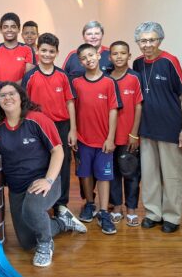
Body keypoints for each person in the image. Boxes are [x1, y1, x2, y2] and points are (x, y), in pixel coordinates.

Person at [0, 83, 84, 268]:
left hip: (44, 180)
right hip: (16, 187)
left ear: (21, 97)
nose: (7, 98)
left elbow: (58, 151)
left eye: (12, 93)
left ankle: (46, 244)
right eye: (2, 95)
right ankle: (62, 223)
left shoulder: (37, 119)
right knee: (27, 242)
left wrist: (48, 180)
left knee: (32, 210)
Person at [133, 22, 182, 234]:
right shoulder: (137, 63)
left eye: (152, 40)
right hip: (147, 128)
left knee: (171, 175)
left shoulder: (170, 61)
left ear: (160, 40)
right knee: (149, 175)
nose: (147, 45)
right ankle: (152, 213)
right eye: (143, 41)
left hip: (170, 128)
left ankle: (172, 216)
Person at [22, 33, 82, 225]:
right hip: (37, 127)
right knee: (40, 164)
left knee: (62, 165)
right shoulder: (30, 76)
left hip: (61, 126)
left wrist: (73, 129)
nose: (47, 54)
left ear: (57, 52)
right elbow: (24, 106)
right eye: (44, 50)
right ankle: (41, 203)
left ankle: (61, 205)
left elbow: (70, 103)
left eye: (51, 51)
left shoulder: (63, 76)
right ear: (37, 51)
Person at [72, 43, 122, 235]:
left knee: (104, 176)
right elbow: (72, 109)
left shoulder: (109, 82)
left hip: (103, 141)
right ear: (80, 62)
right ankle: (89, 204)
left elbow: (113, 111)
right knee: (85, 173)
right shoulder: (76, 83)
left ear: (99, 55)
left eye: (91, 55)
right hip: (83, 139)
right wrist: (74, 133)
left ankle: (103, 212)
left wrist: (110, 138)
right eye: (84, 58)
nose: (88, 60)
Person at [108, 41, 143, 227]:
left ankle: (131, 209)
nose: (119, 56)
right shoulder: (106, 78)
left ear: (129, 56)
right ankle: (116, 207)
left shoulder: (135, 77)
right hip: (109, 137)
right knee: (113, 173)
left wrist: (134, 134)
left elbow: (139, 106)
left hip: (129, 136)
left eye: (123, 53)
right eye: (115, 53)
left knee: (130, 173)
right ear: (110, 57)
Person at [0, 12, 36, 83]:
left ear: (19, 29)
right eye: (5, 27)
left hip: (19, 90)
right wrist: (2, 89)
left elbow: (28, 77)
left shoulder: (27, 50)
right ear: (1, 29)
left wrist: (11, 88)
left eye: (13, 27)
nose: (9, 30)